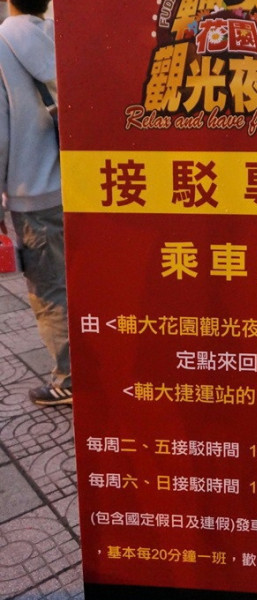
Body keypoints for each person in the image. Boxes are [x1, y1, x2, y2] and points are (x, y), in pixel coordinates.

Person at [0, 0, 71, 406]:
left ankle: (70, 378)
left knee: (49, 290)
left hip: (34, 193)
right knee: (85, 281)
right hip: (82, 187)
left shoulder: (2, 44)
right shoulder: (61, 38)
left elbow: (1, 135)